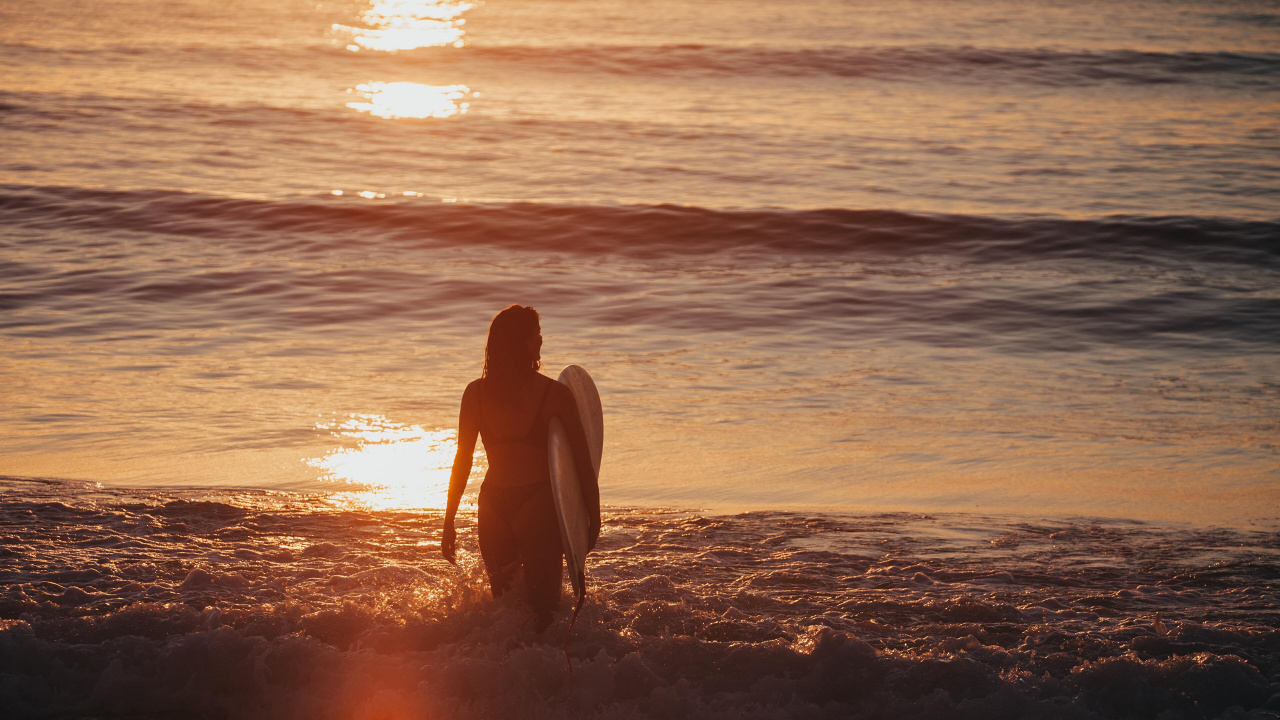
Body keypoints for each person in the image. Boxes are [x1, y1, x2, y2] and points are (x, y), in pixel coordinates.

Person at [442, 304, 600, 631]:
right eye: (536, 336)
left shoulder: (475, 394)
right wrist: (592, 517)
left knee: (503, 613)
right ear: (523, 343)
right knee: (546, 614)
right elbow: (583, 463)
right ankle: (541, 675)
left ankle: (498, 674)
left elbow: (463, 461)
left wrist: (449, 519)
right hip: (537, 505)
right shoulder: (555, 395)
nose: (541, 341)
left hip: (492, 506)